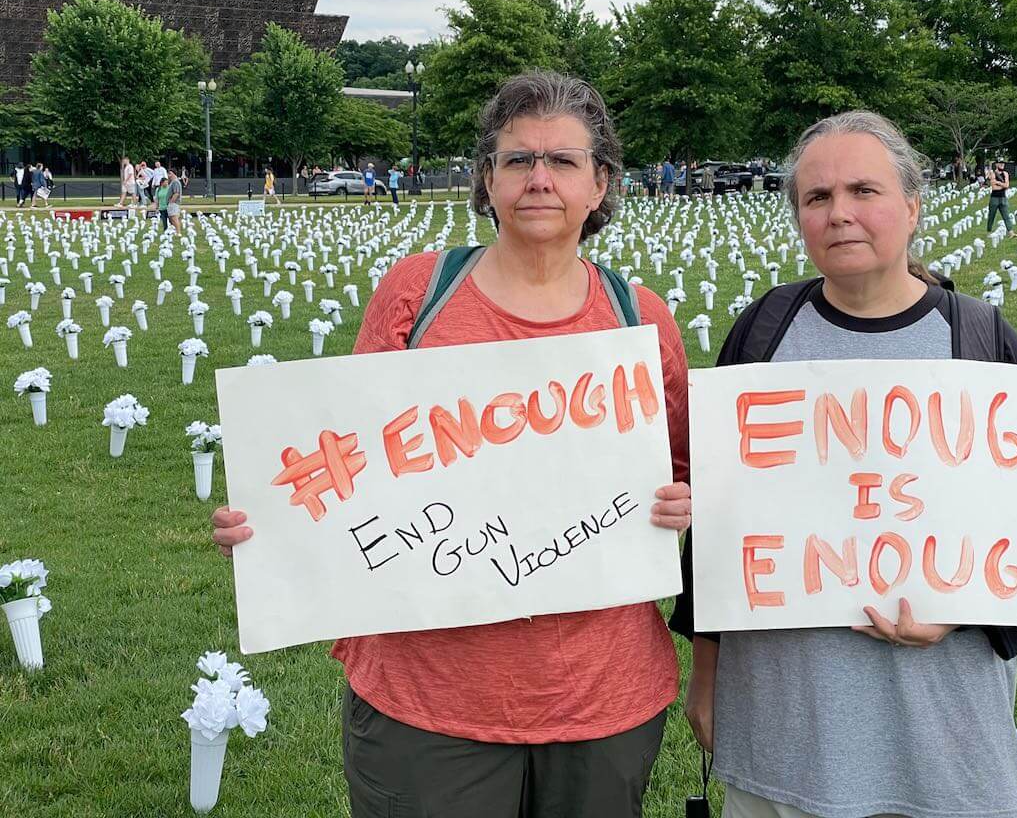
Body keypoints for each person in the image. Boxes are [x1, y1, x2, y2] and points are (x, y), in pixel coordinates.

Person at [211, 71, 694, 818]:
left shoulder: (641, 318)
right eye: (517, 160)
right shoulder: (417, 293)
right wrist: (271, 523)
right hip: (426, 695)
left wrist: (682, 506)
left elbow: (686, 471)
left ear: (601, 184)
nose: (540, 179)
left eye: (563, 161)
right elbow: (347, 455)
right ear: (487, 180)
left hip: (602, 695)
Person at [673, 110, 1017, 818]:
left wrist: (964, 612)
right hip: (784, 729)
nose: (840, 214)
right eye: (817, 198)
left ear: (912, 204)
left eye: (863, 191)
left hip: (943, 737)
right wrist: (706, 676)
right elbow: (721, 527)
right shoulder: (762, 333)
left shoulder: (981, 341)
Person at [985, 159, 1016, 237]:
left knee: (1006, 216)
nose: (1002, 165)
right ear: (996, 164)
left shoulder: (1005, 174)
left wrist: (998, 183)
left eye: (1003, 163)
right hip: (994, 198)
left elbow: (1007, 185)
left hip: (1003, 198)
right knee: (991, 216)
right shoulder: (993, 173)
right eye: (1000, 163)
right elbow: (994, 187)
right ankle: (989, 231)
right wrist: (1003, 185)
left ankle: (1011, 232)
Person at [167, 167, 186, 233]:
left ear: (174, 174)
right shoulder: (172, 182)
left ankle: (178, 232)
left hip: (174, 203)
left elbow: (176, 193)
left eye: (170, 173)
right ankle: (174, 231)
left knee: (174, 218)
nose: (168, 175)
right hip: (172, 202)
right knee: (171, 218)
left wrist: (171, 202)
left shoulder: (175, 182)